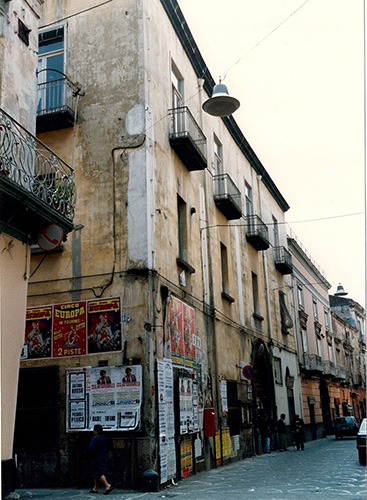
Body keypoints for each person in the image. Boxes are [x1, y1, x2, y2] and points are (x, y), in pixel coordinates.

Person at [89, 424, 114, 495]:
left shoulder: (95, 438)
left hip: (96, 457)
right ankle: (95, 488)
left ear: (96, 431)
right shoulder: (105, 438)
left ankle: (107, 485)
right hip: (104, 456)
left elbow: (91, 448)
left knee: (98, 472)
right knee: (98, 471)